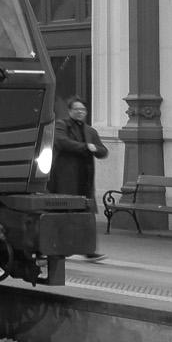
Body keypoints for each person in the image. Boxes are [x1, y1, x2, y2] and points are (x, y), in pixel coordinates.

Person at [50, 99, 109, 259]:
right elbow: (61, 142)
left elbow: (103, 151)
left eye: (82, 109)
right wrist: (85, 147)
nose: (79, 112)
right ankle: (60, 247)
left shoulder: (90, 131)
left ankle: (88, 249)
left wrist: (95, 148)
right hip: (65, 178)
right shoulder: (62, 125)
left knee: (86, 215)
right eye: (76, 109)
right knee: (64, 214)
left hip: (85, 179)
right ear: (70, 111)